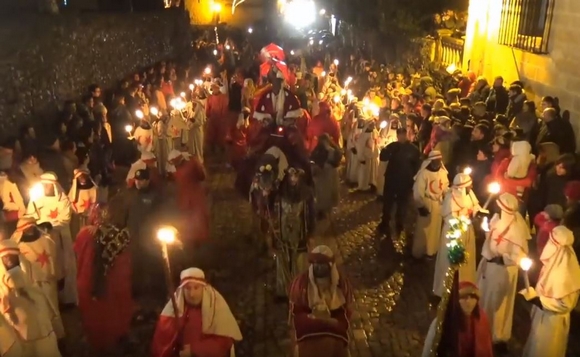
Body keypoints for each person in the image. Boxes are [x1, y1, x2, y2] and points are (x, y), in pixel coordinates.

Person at [74, 203, 133, 352]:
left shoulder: (84, 234)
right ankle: (118, 335)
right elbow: (126, 260)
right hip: (116, 281)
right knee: (114, 309)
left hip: (88, 279)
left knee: (95, 312)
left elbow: (76, 252)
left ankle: (96, 341)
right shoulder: (122, 234)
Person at [476, 192, 529, 351]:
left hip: (502, 271)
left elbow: (517, 256)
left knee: (499, 306)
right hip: (490, 266)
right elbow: (491, 237)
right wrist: (486, 230)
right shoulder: (497, 220)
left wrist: (501, 256)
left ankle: (496, 336)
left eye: (499, 207)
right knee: (486, 299)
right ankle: (481, 328)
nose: (496, 208)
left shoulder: (516, 229)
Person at [151, 268, 243, 357]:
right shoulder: (175, 311)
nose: (192, 294)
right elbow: (162, 345)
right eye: (188, 288)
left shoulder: (216, 309)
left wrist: (194, 350)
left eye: (196, 288)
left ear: (203, 288)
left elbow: (224, 343)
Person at [520, 226, 580, 357]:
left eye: (551, 241)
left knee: (545, 350)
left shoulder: (566, 271)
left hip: (553, 322)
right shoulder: (556, 261)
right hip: (543, 316)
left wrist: (539, 301)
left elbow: (565, 304)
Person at [0, 240, 63, 357]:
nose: (9, 260)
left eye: (11, 257)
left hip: (40, 331)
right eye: (5, 258)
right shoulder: (5, 282)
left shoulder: (26, 273)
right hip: (21, 333)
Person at [289, 245, 352, 357]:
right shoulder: (301, 284)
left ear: (330, 266)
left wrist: (332, 321)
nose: (318, 267)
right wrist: (315, 319)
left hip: (333, 327)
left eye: (322, 264)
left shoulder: (341, 285)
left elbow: (345, 313)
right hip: (309, 326)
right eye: (316, 264)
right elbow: (297, 312)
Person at [25, 172, 77, 306]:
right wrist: (39, 226)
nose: (46, 188)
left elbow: (65, 219)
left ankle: (65, 297)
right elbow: (30, 215)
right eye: (44, 185)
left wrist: (51, 227)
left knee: (62, 266)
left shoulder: (63, 200)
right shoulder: (36, 199)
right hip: (41, 239)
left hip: (59, 238)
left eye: (48, 186)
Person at [10, 217, 62, 332]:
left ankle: (56, 335)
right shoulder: (18, 247)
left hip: (48, 282)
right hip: (31, 284)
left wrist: (57, 275)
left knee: (53, 308)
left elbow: (55, 260)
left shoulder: (47, 241)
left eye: (31, 228)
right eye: (26, 229)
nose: (30, 231)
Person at [433, 173, 482, 297]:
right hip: (454, 235)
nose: (472, 187)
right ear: (462, 187)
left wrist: (477, 212)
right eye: (469, 185)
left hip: (467, 232)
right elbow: (450, 220)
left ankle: (464, 287)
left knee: (467, 262)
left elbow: (475, 205)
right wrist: (462, 222)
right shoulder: (451, 198)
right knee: (449, 262)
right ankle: (445, 290)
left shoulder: (469, 194)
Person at [422, 278, 493, 357]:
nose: (468, 302)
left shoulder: (482, 319)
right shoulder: (444, 320)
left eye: (472, 297)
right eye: (464, 297)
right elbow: (429, 349)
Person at [125, 168, 165, 304]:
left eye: (141, 180)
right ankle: (136, 293)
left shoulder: (156, 196)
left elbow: (161, 215)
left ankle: (157, 294)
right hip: (135, 236)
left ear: (147, 180)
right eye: (137, 180)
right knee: (136, 265)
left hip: (150, 237)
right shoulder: (131, 194)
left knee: (154, 265)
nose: (138, 183)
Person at [378, 127, 422, 239]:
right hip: (391, 179)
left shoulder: (413, 149)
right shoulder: (392, 146)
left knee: (402, 204)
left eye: (403, 135)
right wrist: (385, 150)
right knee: (388, 202)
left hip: (404, 181)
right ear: (397, 136)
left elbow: (417, 165)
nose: (401, 137)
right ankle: (385, 222)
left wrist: (413, 178)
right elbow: (383, 157)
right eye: (400, 135)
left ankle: (399, 223)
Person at [166, 150, 209, 245]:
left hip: (190, 197)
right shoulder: (192, 162)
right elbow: (202, 175)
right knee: (195, 218)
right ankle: (195, 238)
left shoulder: (181, 171)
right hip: (193, 196)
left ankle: (194, 239)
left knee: (194, 218)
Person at [411, 150, 448, 258]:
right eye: (435, 161)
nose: (437, 163)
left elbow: (445, 188)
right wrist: (420, 206)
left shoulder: (442, 173)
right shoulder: (424, 174)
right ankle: (419, 252)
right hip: (427, 203)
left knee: (435, 231)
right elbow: (418, 192)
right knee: (423, 230)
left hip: (439, 204)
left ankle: (431, 251)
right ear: (430, 161)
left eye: (439, 161)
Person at [310, 133, 342, 219]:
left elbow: (337, 158)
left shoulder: (333, 149)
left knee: (330, 190)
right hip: (321, 173)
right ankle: (321, 209)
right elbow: (313, 157)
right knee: (321, 192)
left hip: (331, 173)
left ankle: (328, 207)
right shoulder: (318, 149)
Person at [68, 168, 97, 237]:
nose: (83, 179)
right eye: (80, 177)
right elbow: (71, 200)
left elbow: (94, 201)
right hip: (77, 215)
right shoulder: (74, 190)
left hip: (89, 215)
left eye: (84, 176)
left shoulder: (93, 189)